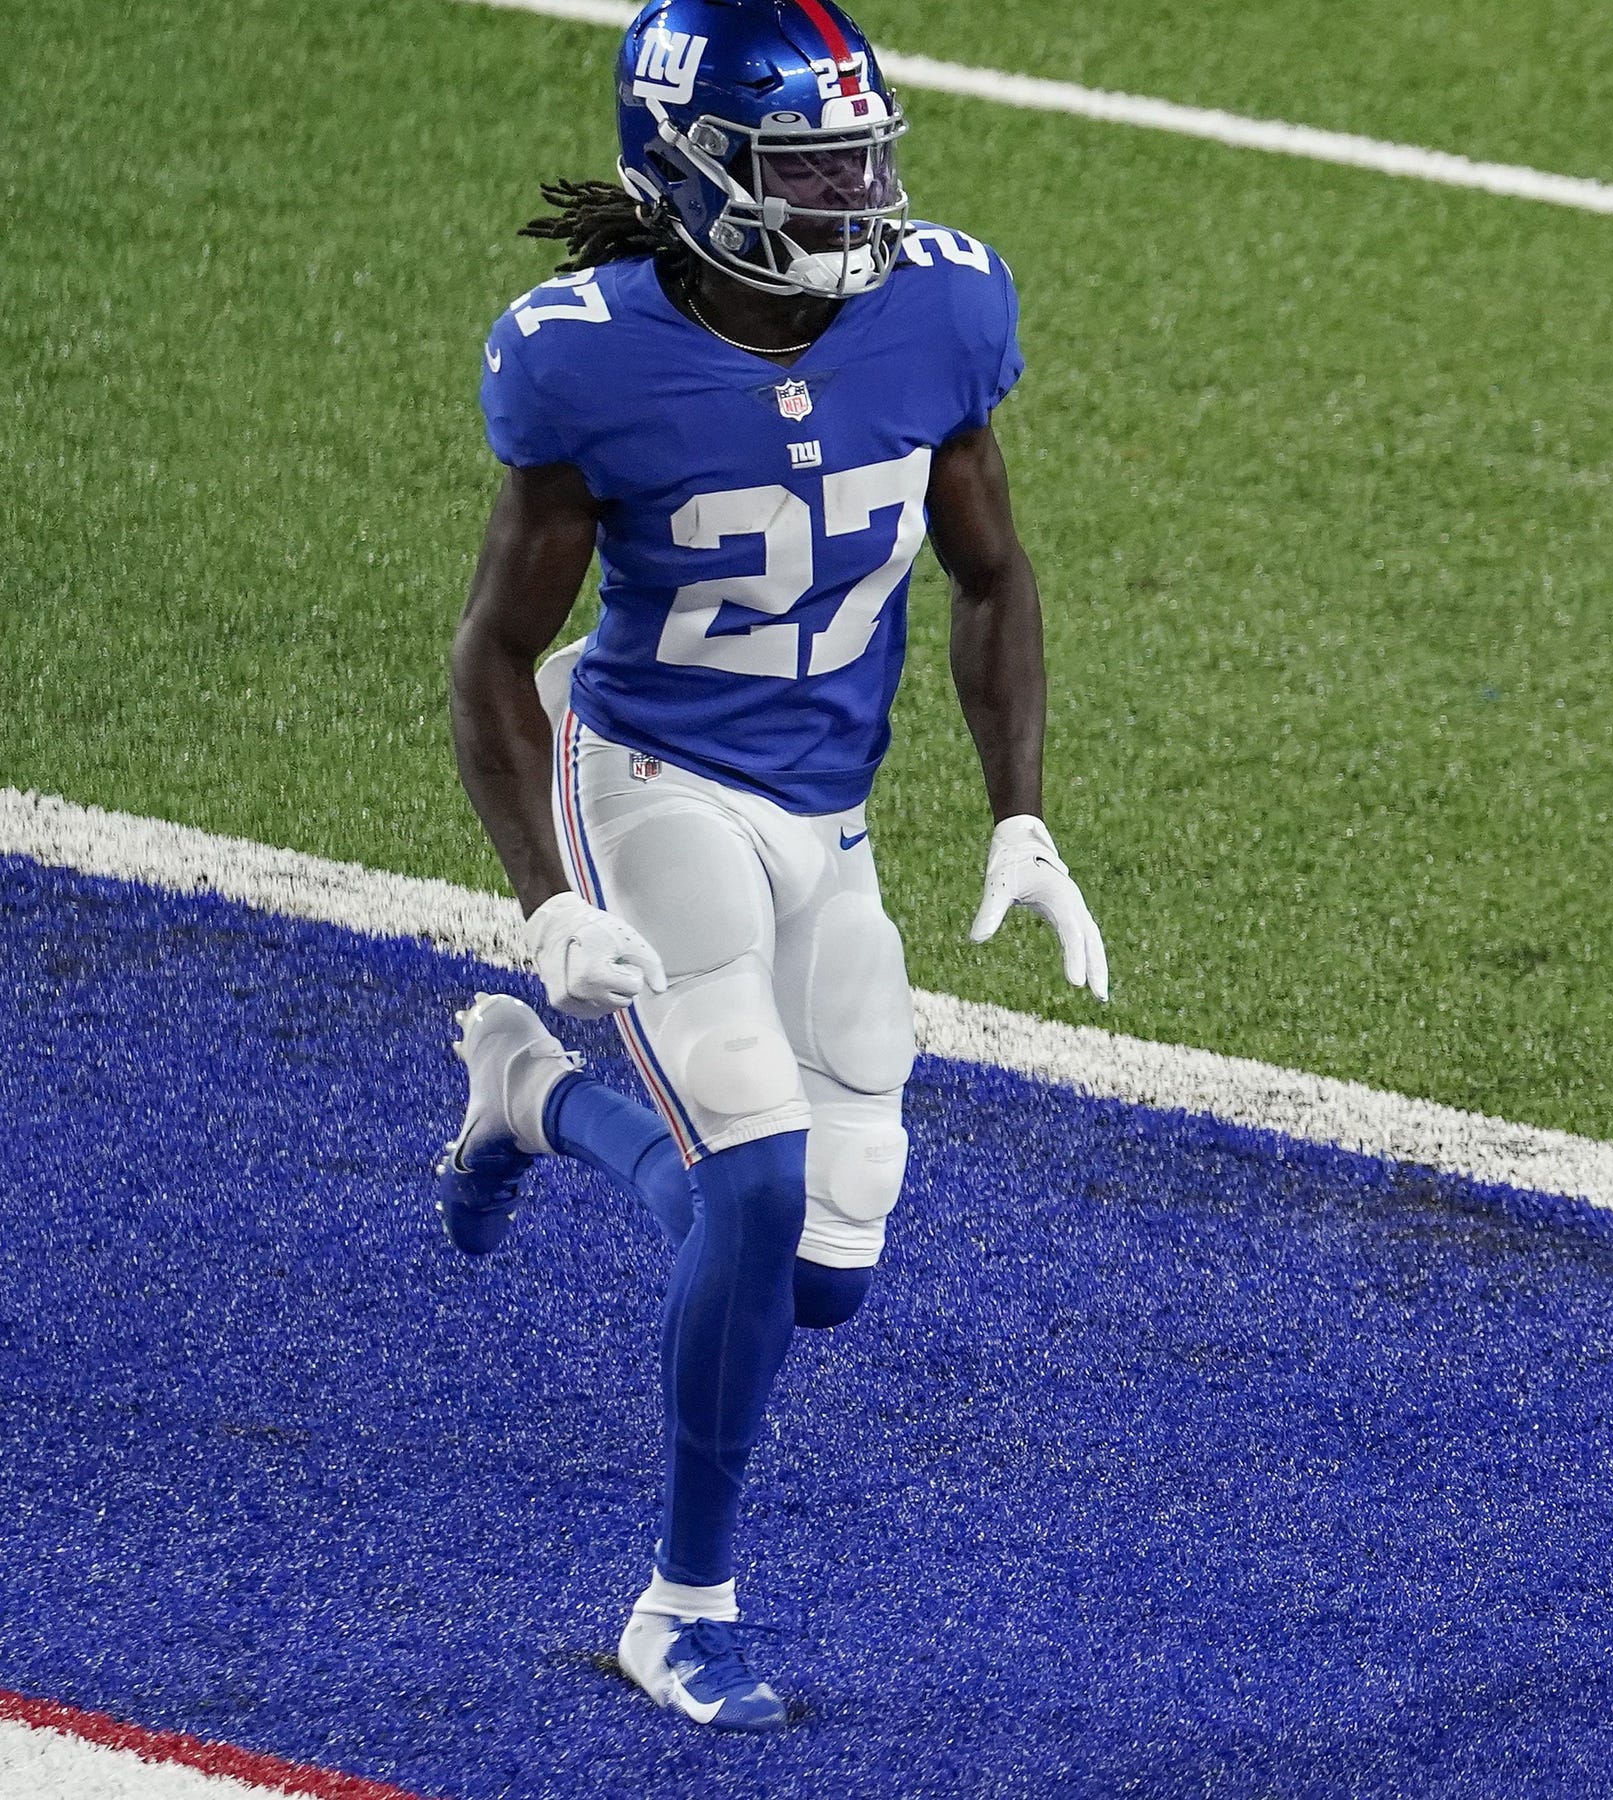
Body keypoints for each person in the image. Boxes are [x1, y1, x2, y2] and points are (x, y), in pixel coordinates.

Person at [433, 0, 1109, 1732]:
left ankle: (536, 1100)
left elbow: (992, 572)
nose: (856, 195)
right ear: (690, 172)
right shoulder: (587, 359)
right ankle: (682, 1608)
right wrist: (551, 900)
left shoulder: (943, 308)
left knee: (817, 1270)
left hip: (829, 812)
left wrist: (1021, 815)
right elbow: (495, 653)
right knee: (747, 1181)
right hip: (654, 778)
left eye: (863, 156)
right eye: (810, 168)